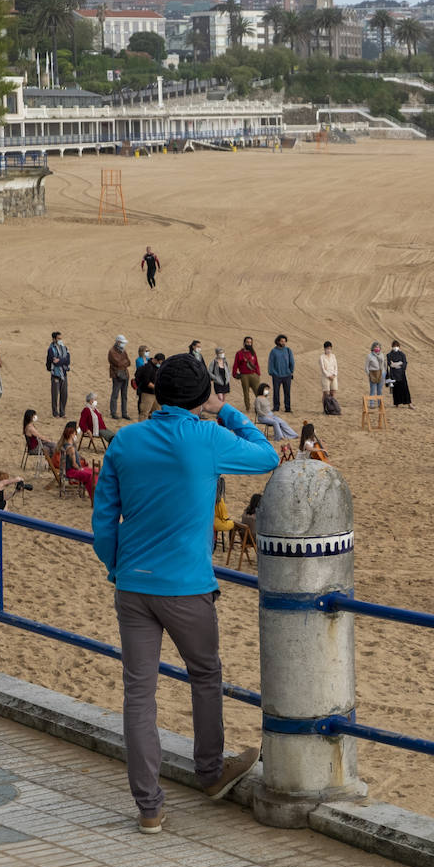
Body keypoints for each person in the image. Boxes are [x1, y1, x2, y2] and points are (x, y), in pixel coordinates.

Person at [92, 352, 277, 833]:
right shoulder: (207, 436)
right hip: (188, 587)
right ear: (199, 397)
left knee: (139, 694)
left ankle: (149, 807)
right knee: (205, 675)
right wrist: (226, 409)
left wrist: (117, 566)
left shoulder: (125, 440)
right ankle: (211, 772)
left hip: (132, 583)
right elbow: (267, 453)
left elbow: (103, 519)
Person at [230, 337, 262, 411]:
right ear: (244, 343)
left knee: (257, 392)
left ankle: (259, 407)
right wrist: (234, 374)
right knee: (246, 393)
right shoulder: (239, 353)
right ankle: (248, 408)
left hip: (254, 375)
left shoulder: (253, 353)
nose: (249, 344)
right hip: (244, 376)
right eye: (247, 342)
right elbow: (235, 365)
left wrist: (258, 373)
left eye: (250, 342)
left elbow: (256, 363)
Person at [46, 331, 71, 419]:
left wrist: (60, 360)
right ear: (54, 339)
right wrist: (62, 360)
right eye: (58, 338)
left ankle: (62, 412)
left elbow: (68, 360)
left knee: (64, 394)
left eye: (61, 338)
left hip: (64, 373)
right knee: (55, 395)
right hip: (55, 374)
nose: (60, 340)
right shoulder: (51, 349)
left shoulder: (64, 347)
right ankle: (55, 413)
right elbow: (53, 361)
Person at [267, 334, 294, 413]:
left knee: (287, 392)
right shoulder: (273, 351)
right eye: (282, 341)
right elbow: (271, 362)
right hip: (276, 375)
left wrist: (291, 371)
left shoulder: (288, 350)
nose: (283, 342)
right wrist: (272, 372)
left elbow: (292, 361)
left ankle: (288, 408)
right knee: (276, 392)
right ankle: (276, 407)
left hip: (287, 375)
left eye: (284, 341)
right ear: (278, 341)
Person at [108, 335, 131, 420]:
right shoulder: (112, 351)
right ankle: (113, 413)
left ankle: (124, 413)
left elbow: (128, 362)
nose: (123, 344)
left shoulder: (123, 351)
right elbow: (118, 363)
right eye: (122, 342)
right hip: (117, 375)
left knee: (124, 395)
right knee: (115, 394)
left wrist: (123, 362)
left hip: (125, 374)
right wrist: (124, 362)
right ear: (118, 342)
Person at [135, 353, 164, 418]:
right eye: (159, 362)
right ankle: (142, 428)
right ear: (156, 360)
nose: (160, 364)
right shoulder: (148, 367)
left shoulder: (158, 368)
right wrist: (157, 387)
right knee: (144, 413)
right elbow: (146, 382)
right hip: (147, 394)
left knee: (157, 413)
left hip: (156, 394)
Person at [386, 340, 412, 408]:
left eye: (396, 346)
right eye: (394, 346)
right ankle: (396, 403)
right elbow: (389, 364)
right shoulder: (389, 355)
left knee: (405, 389)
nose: (395, 347)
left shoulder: (402, 354)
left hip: (401, 374)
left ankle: (409, 403)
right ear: (392, 347)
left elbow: (405, 363)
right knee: (396, 390)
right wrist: (396, 364)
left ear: (399, 346)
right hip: (394, 374)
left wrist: (399, 366)